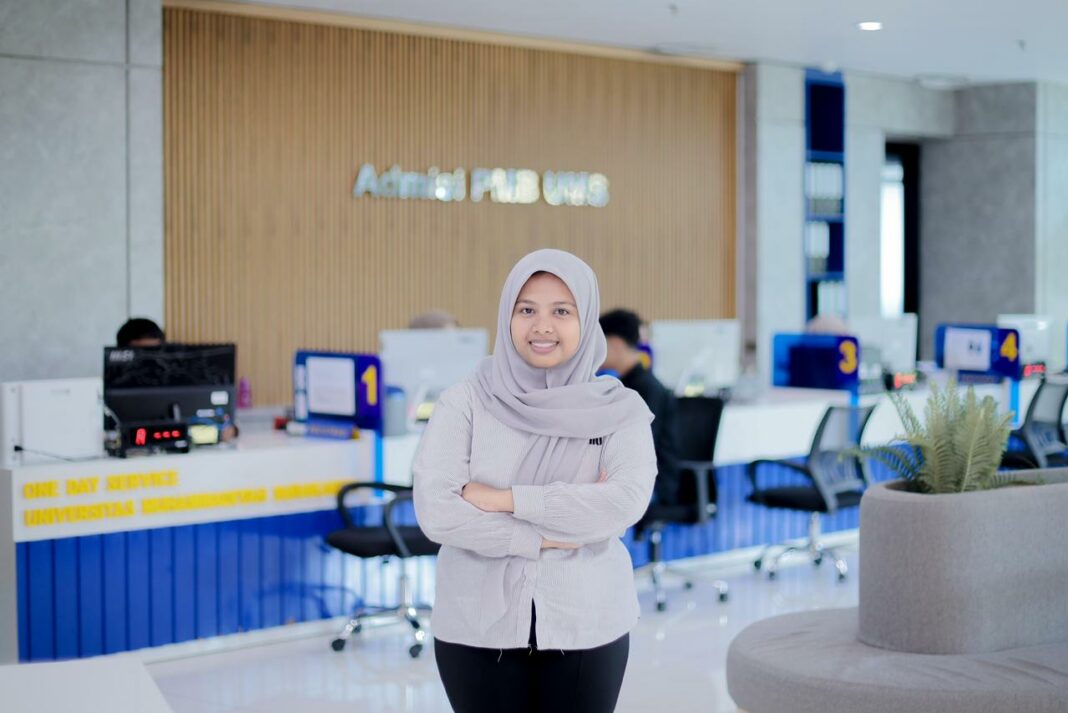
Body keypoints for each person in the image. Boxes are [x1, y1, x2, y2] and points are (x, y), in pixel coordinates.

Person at [413, 250, 656, 713]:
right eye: (526, 309)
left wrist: (503, 499)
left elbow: (623, 503)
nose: (542, 326)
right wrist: (541, 537)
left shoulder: (618, 410)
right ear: (507, 316)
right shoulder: (465, 401)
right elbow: (437, 512)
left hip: (587, 624)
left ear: (586, 320)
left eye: (561, 311)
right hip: (476, 628)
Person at [599, 309, 682, 508]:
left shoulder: (644, 390)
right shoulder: (627, 384)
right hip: (635, 476)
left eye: (597, 343)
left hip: (653, 484)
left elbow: (635, 445)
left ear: (615, 344)